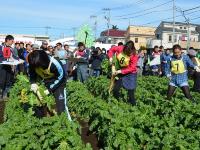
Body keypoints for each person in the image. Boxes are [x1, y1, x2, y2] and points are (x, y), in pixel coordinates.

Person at [28, 50, 68, 115]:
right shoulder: (33, 63)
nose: (37, 67)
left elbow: (61, 77)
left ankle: (66, 122)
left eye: (38, 66)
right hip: (44, 81)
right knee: (38, 104)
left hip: (58, 82)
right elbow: (32, 74)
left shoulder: (54, 63)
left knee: (61, 107)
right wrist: (33, 83)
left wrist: (49, 90)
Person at [108, 40, 138, 105]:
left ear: (131, 50)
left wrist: (121, 71)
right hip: (121, 72)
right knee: (116, 89)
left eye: (128, 52)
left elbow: (132, 68)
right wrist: (110, 57)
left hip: (131, 74)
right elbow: (112, 49)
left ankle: (133, 106)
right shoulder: (120, 48)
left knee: (131, 92)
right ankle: (117, 102)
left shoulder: (134, 55)